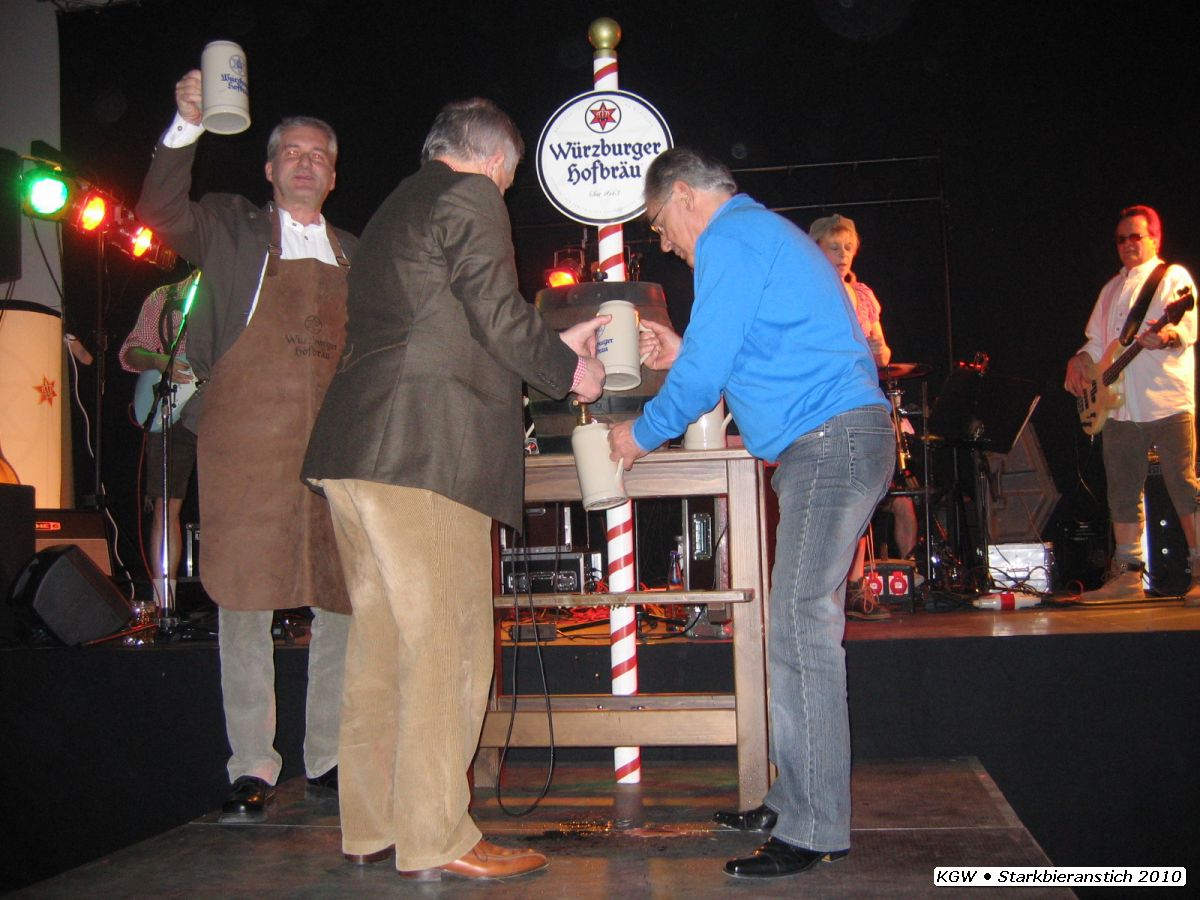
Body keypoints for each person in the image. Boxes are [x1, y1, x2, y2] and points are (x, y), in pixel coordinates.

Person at [301, 98, 606, 881]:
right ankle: (437, 836)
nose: (504, 190)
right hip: (426, 452)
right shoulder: (471, 195)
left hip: (358, 445)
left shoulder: (396, 208)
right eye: (509, 178)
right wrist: (571, 369)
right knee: (450, 648)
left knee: (381, 647)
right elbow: (497, 314)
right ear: (497, 161)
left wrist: (545, 345)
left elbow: (454, 322)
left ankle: (372, 825)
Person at [609, 148, 893, 880]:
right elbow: (737, 353)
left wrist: (636, 435)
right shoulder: (761, 234)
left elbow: (704, 377)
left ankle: (814, 827)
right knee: (793, 626)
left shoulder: (730, 238)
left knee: (801, 627)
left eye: (658, 223)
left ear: (683, 195)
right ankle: (793, 798)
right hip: (834, 440)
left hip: (830, 443)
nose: (663, 242)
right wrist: (684, 351)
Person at [136, 69, 356, 822]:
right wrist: (186, 124)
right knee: (241, 601)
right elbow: (160, 210)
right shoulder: (230, 228)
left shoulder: (358, 256)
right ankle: (253, 764)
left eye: (319, 155)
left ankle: (328, 756)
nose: (305, 164)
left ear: (334, 175)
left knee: (341, 604)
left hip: (333, 452)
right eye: (292, 153)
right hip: (245, 446)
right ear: (269, 168)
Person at [1064, 205, 1199, 602]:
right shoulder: (1110, 290)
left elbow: (1187, 326)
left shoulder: (1172, 278)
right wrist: (1079, 360)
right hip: (1120, 407)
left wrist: (1167, 336)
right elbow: (1097, 344)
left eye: (1135, 236)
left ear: (1154, 238)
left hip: (1166, 398)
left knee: (1183, 484)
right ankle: (1127, 577)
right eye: (1121, 239)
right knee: (1122, 492)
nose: (1127, 244)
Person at [809, 213, 918, 620]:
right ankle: (829, 588)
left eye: (848, 248)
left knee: (863, 496)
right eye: (834, 247)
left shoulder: (864, 296)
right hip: (824, 404)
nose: (842, 255)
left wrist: (877, 349)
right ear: (816, 249)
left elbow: (883, 352)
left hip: (863, 401)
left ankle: (859, 584)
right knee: (833, 499)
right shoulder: (808, 290)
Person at [119, 275, 197, 609]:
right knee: (166, 505)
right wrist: (158, 360)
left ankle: (238, 606)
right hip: (173, 407)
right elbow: (130, 352)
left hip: (224, 406)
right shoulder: (166, 296)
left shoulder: (242, 291)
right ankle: (165, 606)